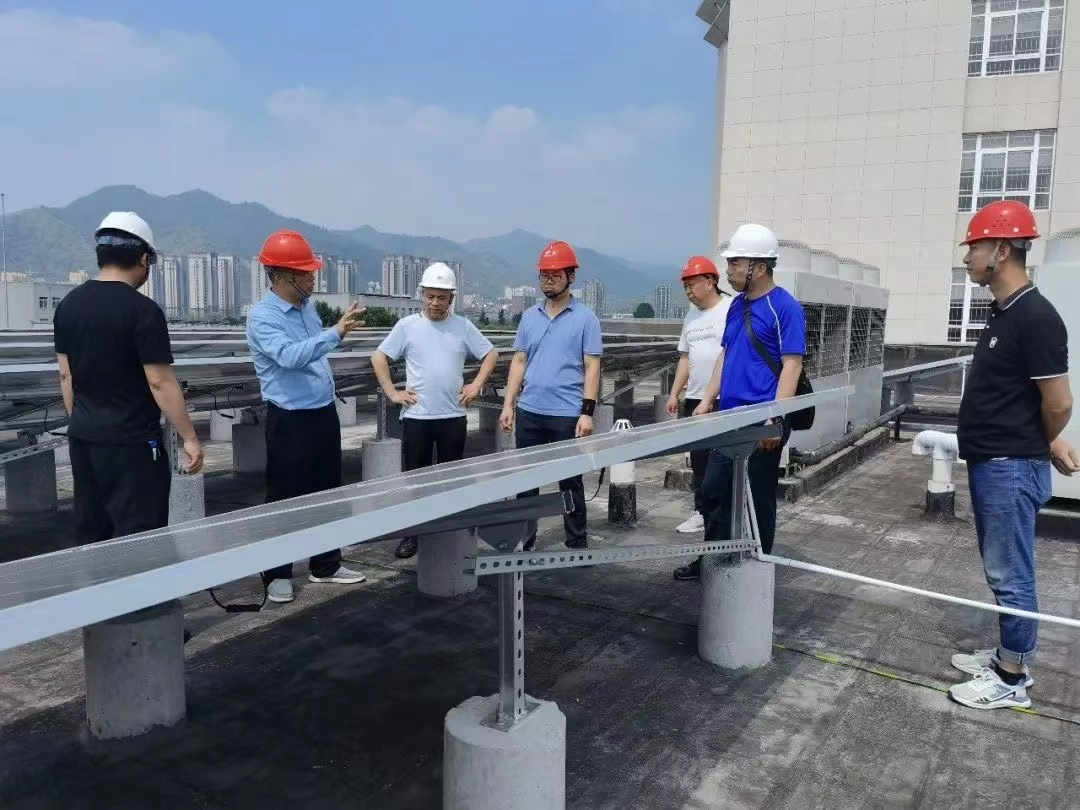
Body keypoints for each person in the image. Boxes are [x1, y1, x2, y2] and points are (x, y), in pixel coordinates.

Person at [948, 200, 1078, 710]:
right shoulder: (1005, 312)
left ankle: (1012, 676)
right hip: (998, 461)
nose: (967, 258)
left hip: (1009, 466)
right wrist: (1045, 440)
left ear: (1001, 250)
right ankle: (1010, 652)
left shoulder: (1036, 317)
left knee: (1010, 573)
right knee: (1002, 568)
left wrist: (1037, 441)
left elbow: (1059, 402)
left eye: (974, 248)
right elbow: (1019, 397)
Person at [54, 211, 204, 549]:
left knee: (94, 532)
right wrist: (190, 437)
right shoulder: (143, 311)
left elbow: (66, 375)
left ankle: (102, 585)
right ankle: (143, 586)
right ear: (144, 258)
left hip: (84, 439)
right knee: (141, 536)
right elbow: (160, 382)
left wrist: (84, 421)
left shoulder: (68, 306)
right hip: (132, 443)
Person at [673, 223, 806, 581]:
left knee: (757, 497)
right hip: (728, 417)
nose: (728, 270)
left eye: (735, 263)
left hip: (763, 419)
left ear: (758, 267)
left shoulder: (785, 307)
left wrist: (775, 419)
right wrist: (707, 399)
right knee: (713, 491)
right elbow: (725, 354)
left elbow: (792, 365)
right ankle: (713, 561)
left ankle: (756, 569)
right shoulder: (737, 307)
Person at [246, 229, 368, 603]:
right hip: (290, 418)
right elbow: (289, 357)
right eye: (307, 272)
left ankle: (326, 564)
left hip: (321, 413)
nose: (313, 278)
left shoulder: (307, 308)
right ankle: (277, 573)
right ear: (284, 276)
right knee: (285, 497)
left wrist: (332, 333)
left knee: (327, 490)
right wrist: (336, 333)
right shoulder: (263, 317)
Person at [371, 262, 498, 559]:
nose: (435, 303)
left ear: (451, 297)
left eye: (441, 297)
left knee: (451, 477)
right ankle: (412, 533)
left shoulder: (463, 326)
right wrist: (392, 393)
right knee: (415, 479)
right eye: (430, 296)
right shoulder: (407, 327)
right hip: (418, 416)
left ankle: (448, 530)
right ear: (422, 295)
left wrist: (476, 385)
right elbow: (379, 357)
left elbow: (491, 353)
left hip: (453, 416)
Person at [499, 240, 603, 551]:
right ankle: (525, 540)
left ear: (571, 276)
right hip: (530, 411)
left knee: (569, 480)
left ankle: (576, 540)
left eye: (555, 275)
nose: (549, 280)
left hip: (566, 414)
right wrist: (508, 404)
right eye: (544, 275)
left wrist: (587, 412)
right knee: (527, 481)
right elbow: (519, 361)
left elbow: (592, 367)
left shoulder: (586, 318)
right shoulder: (529, 317)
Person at [665, 256, 731, 534]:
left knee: (724, 459)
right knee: (700, 460)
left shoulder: (730, 309)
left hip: (725, 399)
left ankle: (725, 511)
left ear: (711, 281)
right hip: (694, 398)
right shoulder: (690, 317)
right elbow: (685, 358)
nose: (688, 291)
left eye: (692, 284)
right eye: (685, 287)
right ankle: (701, 511)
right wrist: (673, 393)